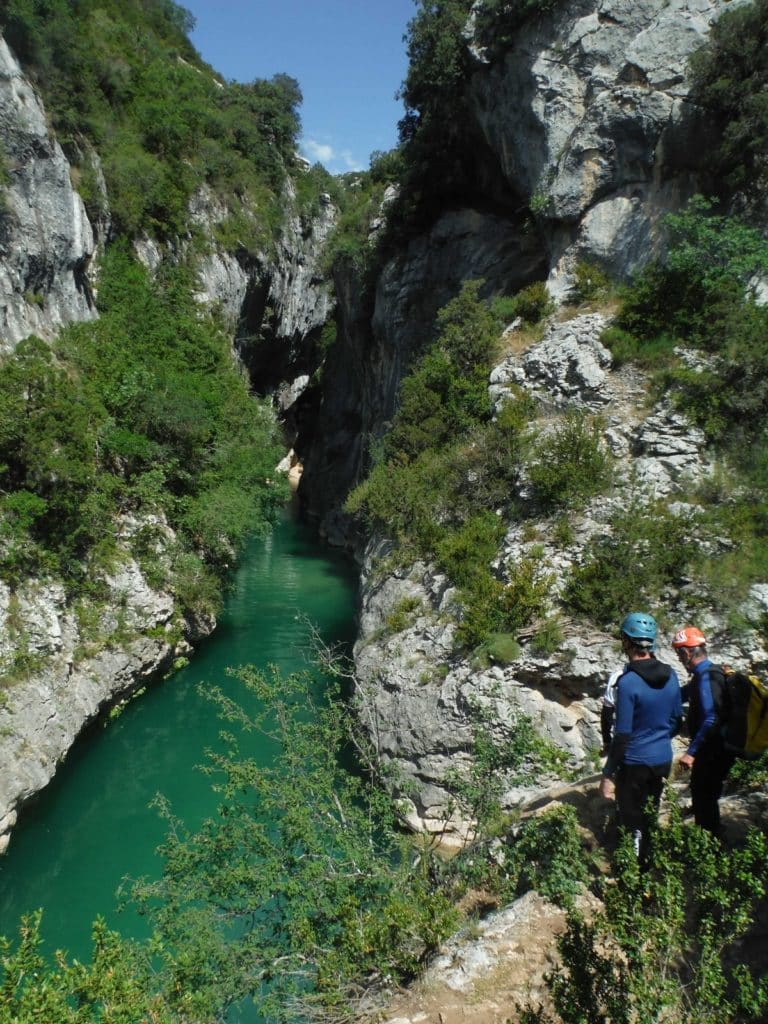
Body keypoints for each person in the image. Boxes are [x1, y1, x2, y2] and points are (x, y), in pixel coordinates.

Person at [600, 612, 683, 860]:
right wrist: (657, 739)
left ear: (627, 642)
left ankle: (632, 874)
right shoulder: (671, 675)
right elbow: (677, 721)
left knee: (631, 819)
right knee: (650, 813)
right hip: (662, 760)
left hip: (635, 762)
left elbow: (623, 734)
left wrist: (607, 774)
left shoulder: (628, 682)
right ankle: (647, 865)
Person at [672, 625, 736, 840]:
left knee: (703, 795)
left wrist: (691, 752)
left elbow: (710, 718)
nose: (680, 660)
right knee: (705, 793)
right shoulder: (708, 673)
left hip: (713, 750)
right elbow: (678, 696)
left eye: (679, 654)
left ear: (686, 652)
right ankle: (711, 837)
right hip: (720, 748)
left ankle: (710, 844)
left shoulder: (706, 677)